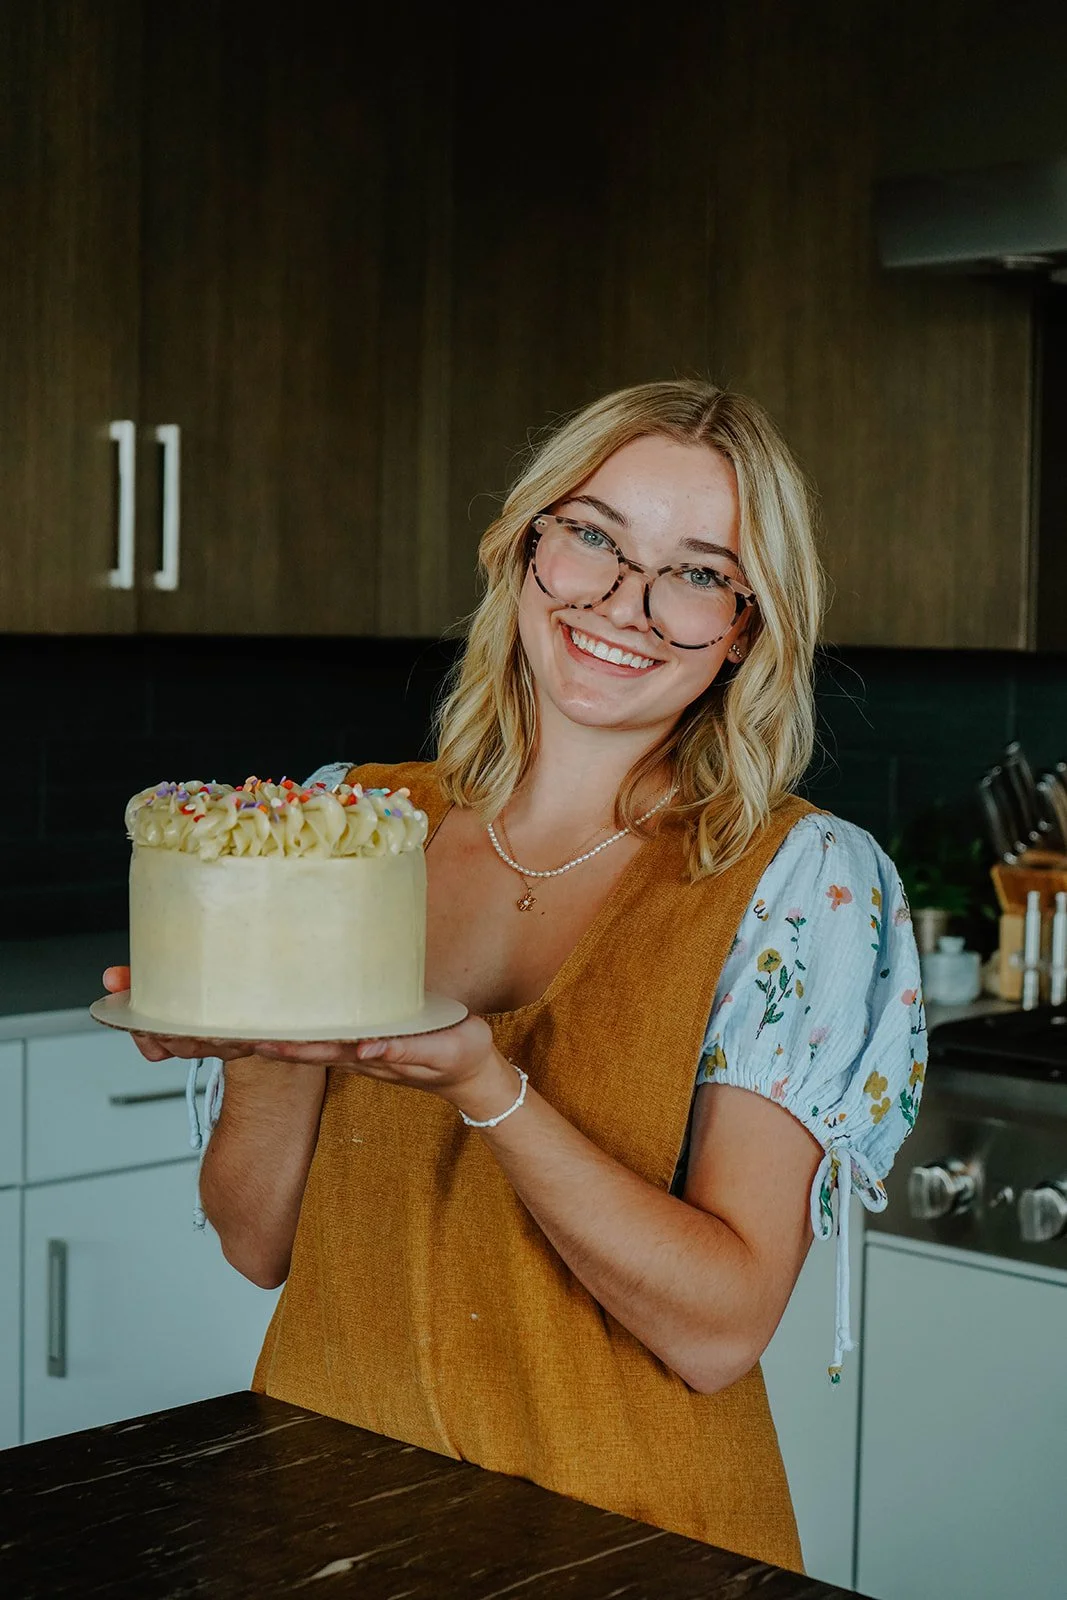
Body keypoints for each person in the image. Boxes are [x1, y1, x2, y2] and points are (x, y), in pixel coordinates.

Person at [104, 378, 924, 1573]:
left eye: (696, 573)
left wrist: (486, 1084)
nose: (621, 604)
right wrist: (257, 1029)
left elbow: (720, 1327)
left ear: (745, 626)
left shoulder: (800, 883)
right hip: (332, 1514)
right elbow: (257, 1240)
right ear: (525, 547)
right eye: (591, 536)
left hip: (631, 1545)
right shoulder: (350, 823)